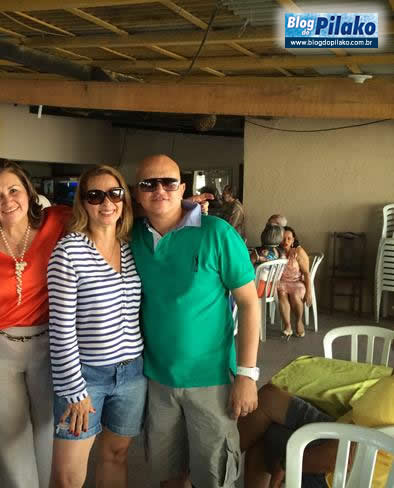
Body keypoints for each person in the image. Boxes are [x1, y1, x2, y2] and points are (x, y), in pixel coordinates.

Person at [130, 154, 260, 488]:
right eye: (148, 184)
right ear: (138, 193)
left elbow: (249, 304)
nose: (159, 190)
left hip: (211, 380)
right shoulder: (132, 238)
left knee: (213, 476)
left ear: (182, 188)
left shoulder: (217, 232)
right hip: (157, 380)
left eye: (168, 182)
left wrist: (247, 374)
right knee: (167, 475)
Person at [0, 158, 72, 488]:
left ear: (29, 192)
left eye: (14, 190)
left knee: (47, 432)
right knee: (8, 438)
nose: (7, 200)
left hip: (48, 346)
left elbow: (106, 213)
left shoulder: (57, 221)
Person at [47, 165, 145, 488]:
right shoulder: (68, 251)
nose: (106, 203)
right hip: (86, 377)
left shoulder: (129, 247)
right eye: (95, 195)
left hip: (132, 373)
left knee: (116, 456)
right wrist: (74, 390)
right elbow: (61, 330)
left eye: (114, 194)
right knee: (68, 476)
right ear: (83, 203)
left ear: (124, 199)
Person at [238, 376, 394, 488]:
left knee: (264, 441)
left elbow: (339, 456)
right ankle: (226, 458)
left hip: (344, 476)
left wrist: (286, 463)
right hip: (344, 431)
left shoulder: (389, 394)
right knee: (268, 396)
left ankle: (223, 468)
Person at [277, 226, 312, 338]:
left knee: (296, 295)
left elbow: (307, 273)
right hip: (282, 282)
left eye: (288, 238)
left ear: (293, 240)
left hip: (297, 282)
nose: (285, 241)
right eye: (283, 238)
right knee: (281, 293)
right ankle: (287, 325)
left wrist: (309, 292)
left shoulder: (298, 252)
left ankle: (299, 321)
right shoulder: (277, 252)